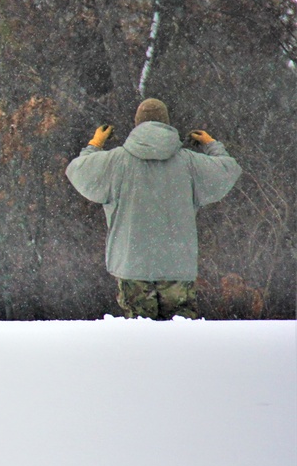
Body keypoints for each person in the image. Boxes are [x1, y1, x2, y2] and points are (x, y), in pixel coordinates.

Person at [65, 98, 242, 319]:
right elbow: (228, 170)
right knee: (179, 336)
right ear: (166, 123)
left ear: (137, 124)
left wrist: (94, 145)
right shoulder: (189, 163)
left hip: (132, 265)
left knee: (139, 339)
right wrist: (211, 145)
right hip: (177, 266)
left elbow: (78, 171)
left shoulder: (117, 161)